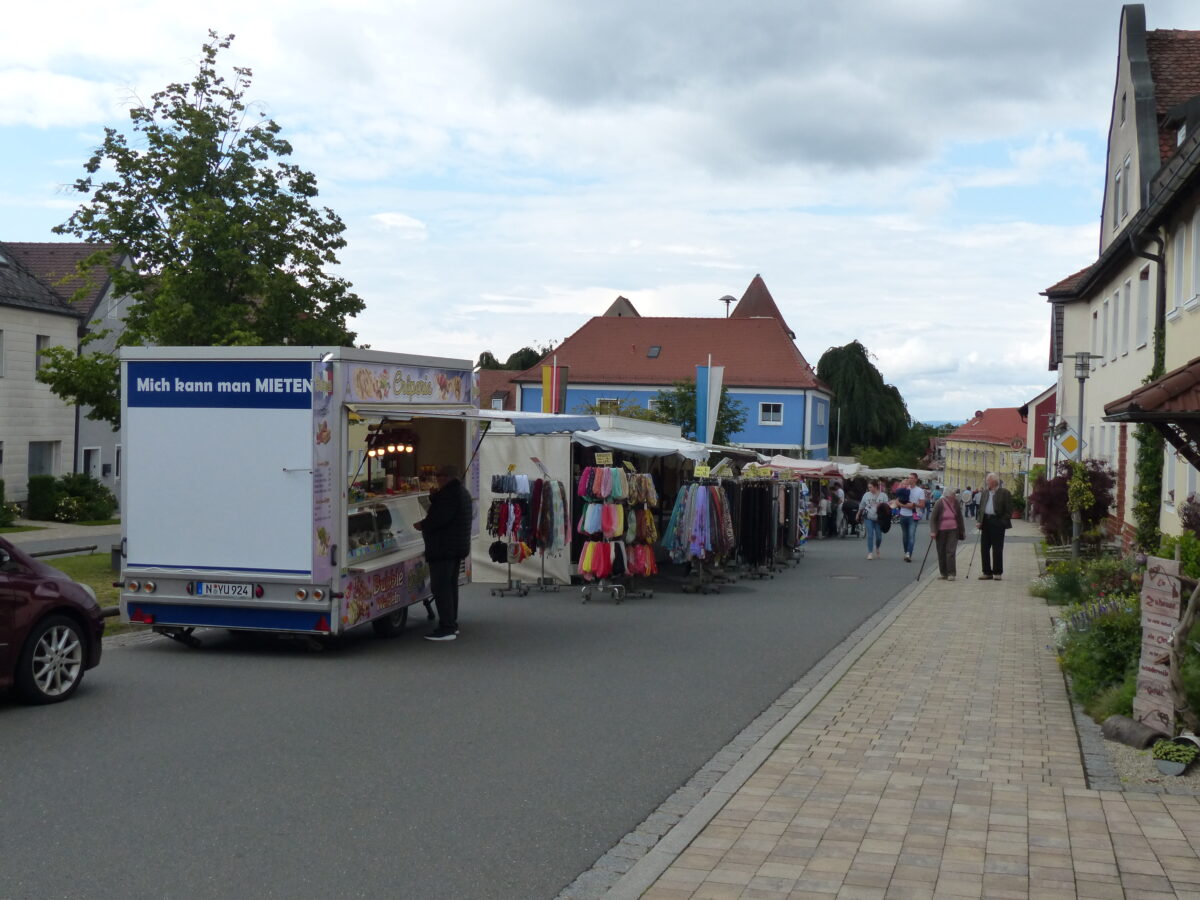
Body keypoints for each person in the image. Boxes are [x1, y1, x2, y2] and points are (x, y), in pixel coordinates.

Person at [414, 464, 474, 640]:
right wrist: (434, 499)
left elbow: (439, 519)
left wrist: (422, 525)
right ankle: (451, 623)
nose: (436, 480)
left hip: (444, 548)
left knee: (441, 588)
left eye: (438, 476)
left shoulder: (450, 495)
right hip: (455, 546)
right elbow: (447, 513)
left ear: (446, 477)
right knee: (450, 587)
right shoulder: (460, 492)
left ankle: (446, 627)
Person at [975, 472, 1013, 581]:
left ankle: (997, 572)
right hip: (986, 521)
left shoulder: (1004, 493)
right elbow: (981, 508)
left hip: (997, 522)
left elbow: (1009, 510)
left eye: (988, 480)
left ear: (994, 481)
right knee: (984, 548)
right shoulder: (985, 493)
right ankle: (986, 572)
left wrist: (1002, 522)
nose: (986, 482)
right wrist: (979, 521)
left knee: (997, 548)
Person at [929, 485, 966, 580]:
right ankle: (943, 573)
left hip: (953, 530)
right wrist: (933, 531)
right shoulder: (939, 503)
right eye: (953, 494)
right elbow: (933, 518)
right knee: (941, 551)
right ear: (948, 495)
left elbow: (960, 517)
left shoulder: (956, 503)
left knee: (951, 551)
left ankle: (951, 573)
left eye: (955, 494)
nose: (955, 496)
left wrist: (962, 530)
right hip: (941, 530)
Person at [896, 472, 926, 562]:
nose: (910, 479)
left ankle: (909, 553)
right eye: (908, 478)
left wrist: (914, 504)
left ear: (916, 479)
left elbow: (922, 504)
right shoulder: (903, 488)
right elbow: (897, 501)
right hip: (903, 514)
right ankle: (906, 552)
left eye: (912, 478)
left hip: (913, 515)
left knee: (911, 535)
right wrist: (905, 506)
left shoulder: (920, 491)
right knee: (905, 536)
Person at [861, 479, 887, 559]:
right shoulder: (866, 495)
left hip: (878, 518)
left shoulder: (883, 495)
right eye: (869, 487)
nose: (870, 489)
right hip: (868, 517)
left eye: (871, 487)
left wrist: (881, 506)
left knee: (879, 536)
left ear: (876, 487)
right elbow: (862, 505)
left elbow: (886, 507)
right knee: (870, 535)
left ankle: (877, 547)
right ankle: (870, 552)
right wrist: (858, 514)